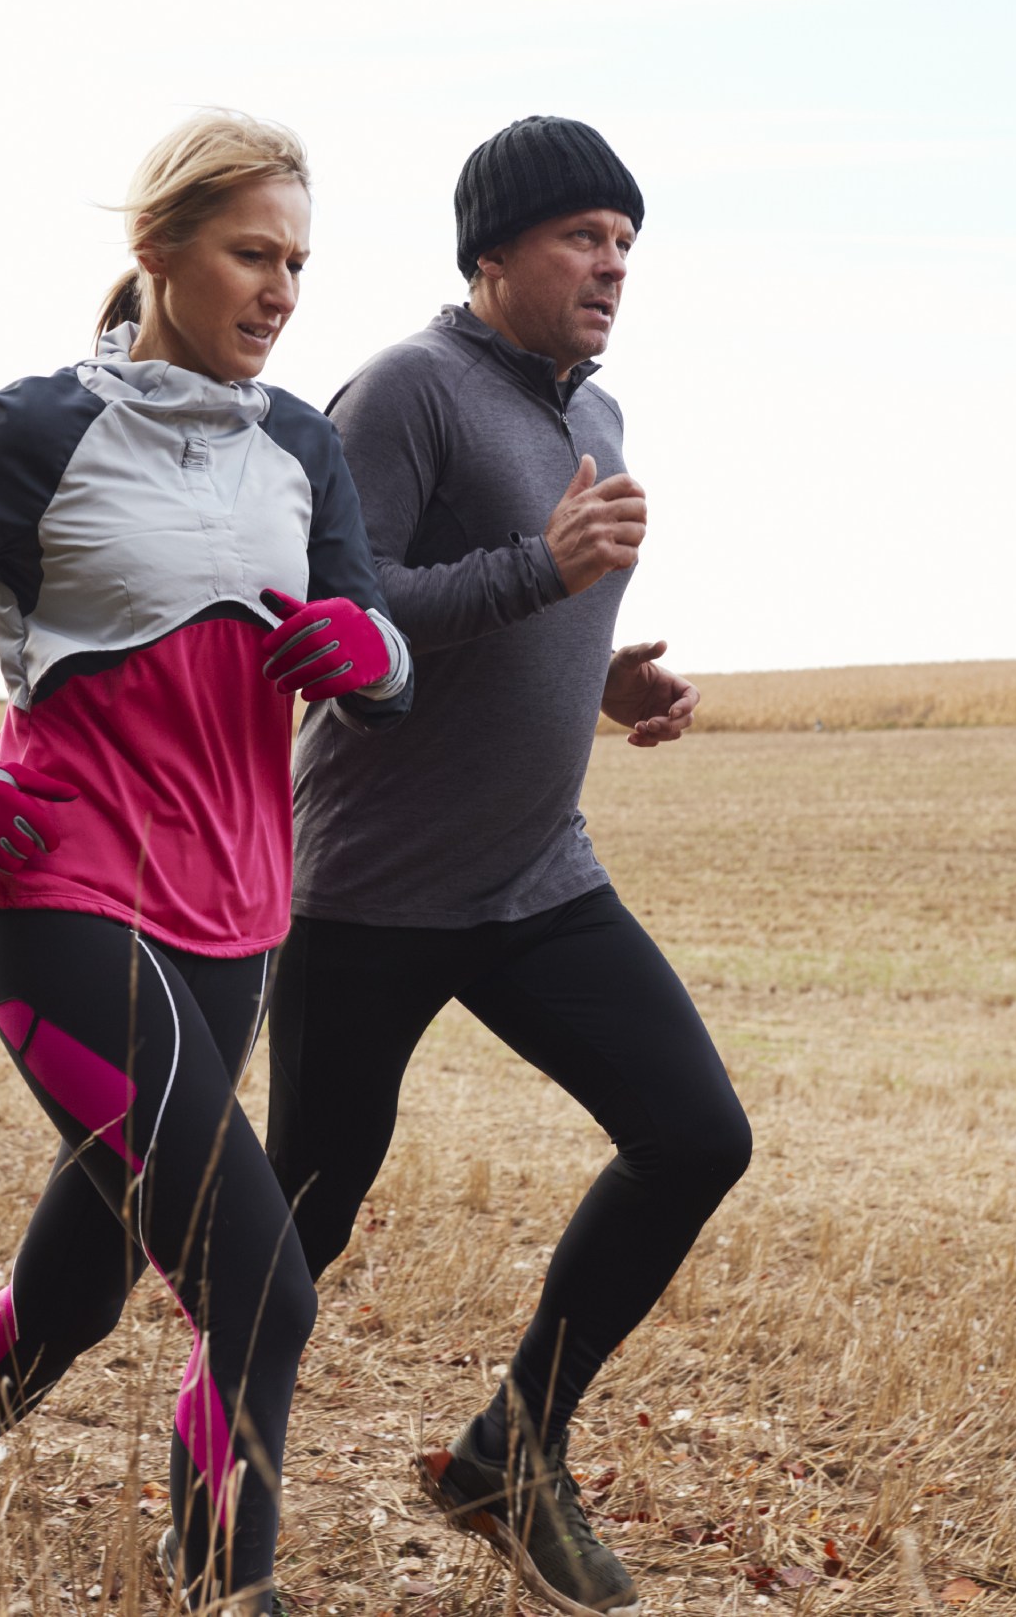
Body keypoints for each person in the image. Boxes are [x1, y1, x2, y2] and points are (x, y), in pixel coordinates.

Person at [0, 111, 411, 1617]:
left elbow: (380, 645)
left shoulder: (302, 443)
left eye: (300, 264)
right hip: (61, 895)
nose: (281, 292)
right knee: (258, 1287)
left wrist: (370, 649)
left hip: (234, 925)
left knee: (75, 1293)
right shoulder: (38, 429)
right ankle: (223, 1596)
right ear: (157, 251)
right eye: (252, 254)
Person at [267, 115, 751, 1617]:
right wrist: (542, 572)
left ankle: (511, 1448)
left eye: (626, 241)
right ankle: (215, 1523)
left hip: (538, 879)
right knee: (297, 1224)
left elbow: (517, 605)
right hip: (369, 894)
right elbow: (329, 619)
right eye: (580, 237)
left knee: (695, 1136)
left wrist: (601, 676)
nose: (612, 263)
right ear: (491, 252)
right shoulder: (407, 390)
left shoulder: (588, 417)